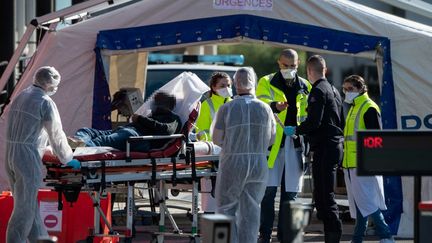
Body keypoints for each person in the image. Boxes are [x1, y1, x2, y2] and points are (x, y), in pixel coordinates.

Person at [5, 66, 80, 243]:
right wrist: (68, 158)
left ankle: (42, 239)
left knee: (28, 205)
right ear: (49, 83)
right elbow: (56, 134)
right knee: (24, 211)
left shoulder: (22, 96)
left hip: (11, 155)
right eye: (55, 85)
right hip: (26, 159)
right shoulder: (45, 102)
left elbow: (28, 130)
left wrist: (44, 148)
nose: (56, 88)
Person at [212, 67, 276, 243]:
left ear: (236, 83)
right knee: (251, 210)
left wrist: (234, 145)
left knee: (225, 209)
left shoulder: (227, 108)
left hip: (232, 163)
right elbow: (271, 139)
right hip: (258, 165)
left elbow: (216, 139)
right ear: (253, 82)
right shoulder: (265, 109)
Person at [286, 55, 344, 242]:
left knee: (324, 197)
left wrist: (297, 130)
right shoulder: (334, 89)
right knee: (323, 195)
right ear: (324, 70)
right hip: (334, 145)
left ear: (309, 72)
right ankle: (331, 235)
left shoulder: (317, 91)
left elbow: (314, 122)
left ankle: (333, 237)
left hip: (325, 147)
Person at [255, 48, 311, 243]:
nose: (289, 69)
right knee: (268, 193)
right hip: (273, 146)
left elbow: (309, 114)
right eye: (286, 66)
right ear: (279, 63)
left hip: (295, 144)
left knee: (290, 194)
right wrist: (273, 106)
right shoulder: (266, 81)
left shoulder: (305, 85)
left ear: (298, 65)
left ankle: (286, 235)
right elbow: (259, 104)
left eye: (293, 66)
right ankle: (265, 233)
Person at [341, 75, 394, 243]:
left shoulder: (368, 107)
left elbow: (376, 138)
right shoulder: (354, 107)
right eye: (345, 89)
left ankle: (386, 235)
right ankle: (357, 238)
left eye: (350, 89)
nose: (347, 92)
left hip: (363, 164)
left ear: (360, 89)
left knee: (367, 202)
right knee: (360, 203)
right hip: (352, 163)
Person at [74, 91, 181, 152]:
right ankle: (77, 144)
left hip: (136, 138)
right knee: (86, 131)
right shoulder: (153, 115)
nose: (152, 104)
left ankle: (80, 151)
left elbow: (166, 130)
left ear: (164, 105)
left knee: (101, 141)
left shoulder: (173, 119)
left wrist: (140, 119)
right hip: (127, 131)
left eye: (155, 102)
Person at [195, 72, 233, 213]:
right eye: (222, 85)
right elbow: (201, 133)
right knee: (211, 199)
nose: (227, 88)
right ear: (213, 87)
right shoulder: (207, 105)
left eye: (229, 85)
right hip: (212, 156)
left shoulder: (234, 103)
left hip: (231, 153)